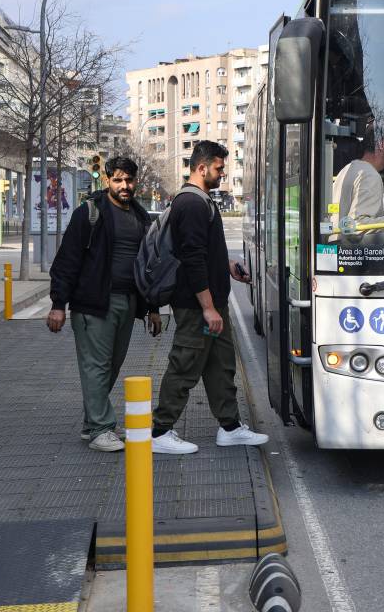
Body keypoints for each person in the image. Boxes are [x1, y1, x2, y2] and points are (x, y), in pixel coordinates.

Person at [151, 140, 267, 455]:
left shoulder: (202, 200)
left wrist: (226, 266)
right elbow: (192, 258)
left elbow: (204, 252)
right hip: (197, 307)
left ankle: (229, 428)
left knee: (220, 366)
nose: (222, 173)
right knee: (185, 365)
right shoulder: (190, 203)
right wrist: (207, 308)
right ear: (202, 168)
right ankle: (159, 431)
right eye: (218, 168)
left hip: (213, 304)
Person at [47, 156, 163, 452]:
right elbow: (66, 261)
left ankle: (92, 425)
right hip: (94, 304)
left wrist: (152, 307)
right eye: (118, 180)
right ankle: (101, 428)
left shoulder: (139, 214)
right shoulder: (90, 213)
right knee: (96, 367)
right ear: (107, 180)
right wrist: (58, 304)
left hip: (128, 301)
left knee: (111, 366)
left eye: (129, 180)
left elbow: (148, 263)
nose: (125, 185)